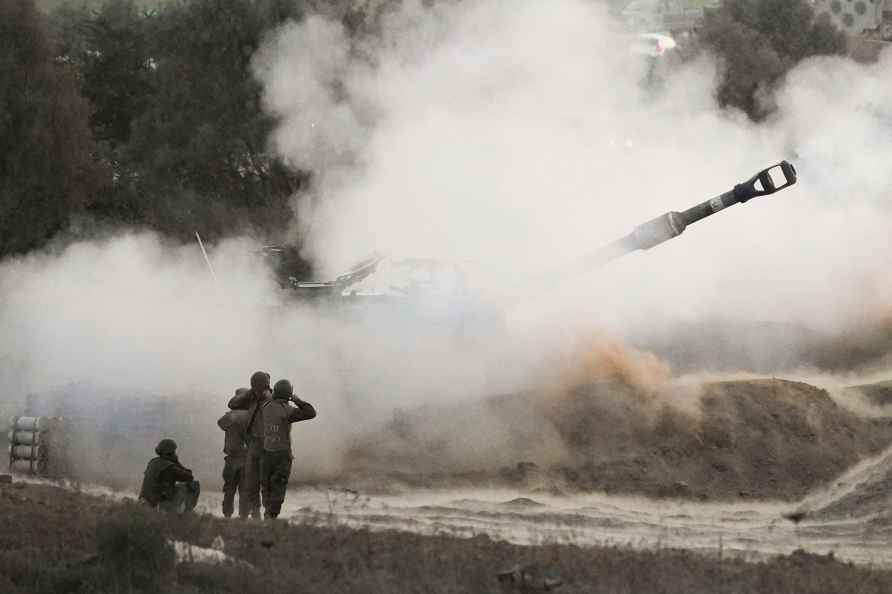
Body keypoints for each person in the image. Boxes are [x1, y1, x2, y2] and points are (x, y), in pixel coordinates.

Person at [259, 379, 316, 519]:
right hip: (282, 454)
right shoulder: (288, 410)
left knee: (266, 485)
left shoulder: (265, 406)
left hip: (266, 452)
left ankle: (267, 511)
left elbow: (269, 397)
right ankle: (272, 516)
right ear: (288, 395)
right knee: (278, 485)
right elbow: (311, 412)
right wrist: (296, 400)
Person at [227, 371, 272, 519]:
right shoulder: (251, 399)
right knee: (251, 481)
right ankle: (256, 511)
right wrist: (250, 394)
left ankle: (268, 513)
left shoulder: (273, 399)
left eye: (259, 388)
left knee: (265, 481)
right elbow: (232, 404)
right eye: (255, 388)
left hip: (268, 445)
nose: (257, 391)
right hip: (254, 444)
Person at [138, 438, 200, 513]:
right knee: (195, 485)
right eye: (174, 452)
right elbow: (189, 477)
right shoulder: (169, 467)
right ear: (170, 453)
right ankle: (187, 514)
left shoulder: (152, 462)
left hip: (144, 501)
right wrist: (177, 462)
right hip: (157, 504)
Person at [217, 395, 251, 518]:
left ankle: (227, 516)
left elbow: (220, 424)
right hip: (247, 459)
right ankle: (243, 517)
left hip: (232, 459)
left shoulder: (230, 416)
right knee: (245, 491)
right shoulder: (252, 415)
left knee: (229, 490)